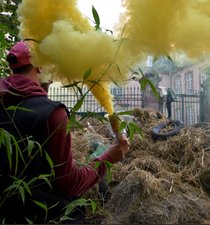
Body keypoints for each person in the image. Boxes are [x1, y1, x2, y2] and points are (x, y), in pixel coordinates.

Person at [0, 41, 130, 223]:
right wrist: (108, 158)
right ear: (39, 67)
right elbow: (70, 183)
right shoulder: (52, 114)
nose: (52, 78)